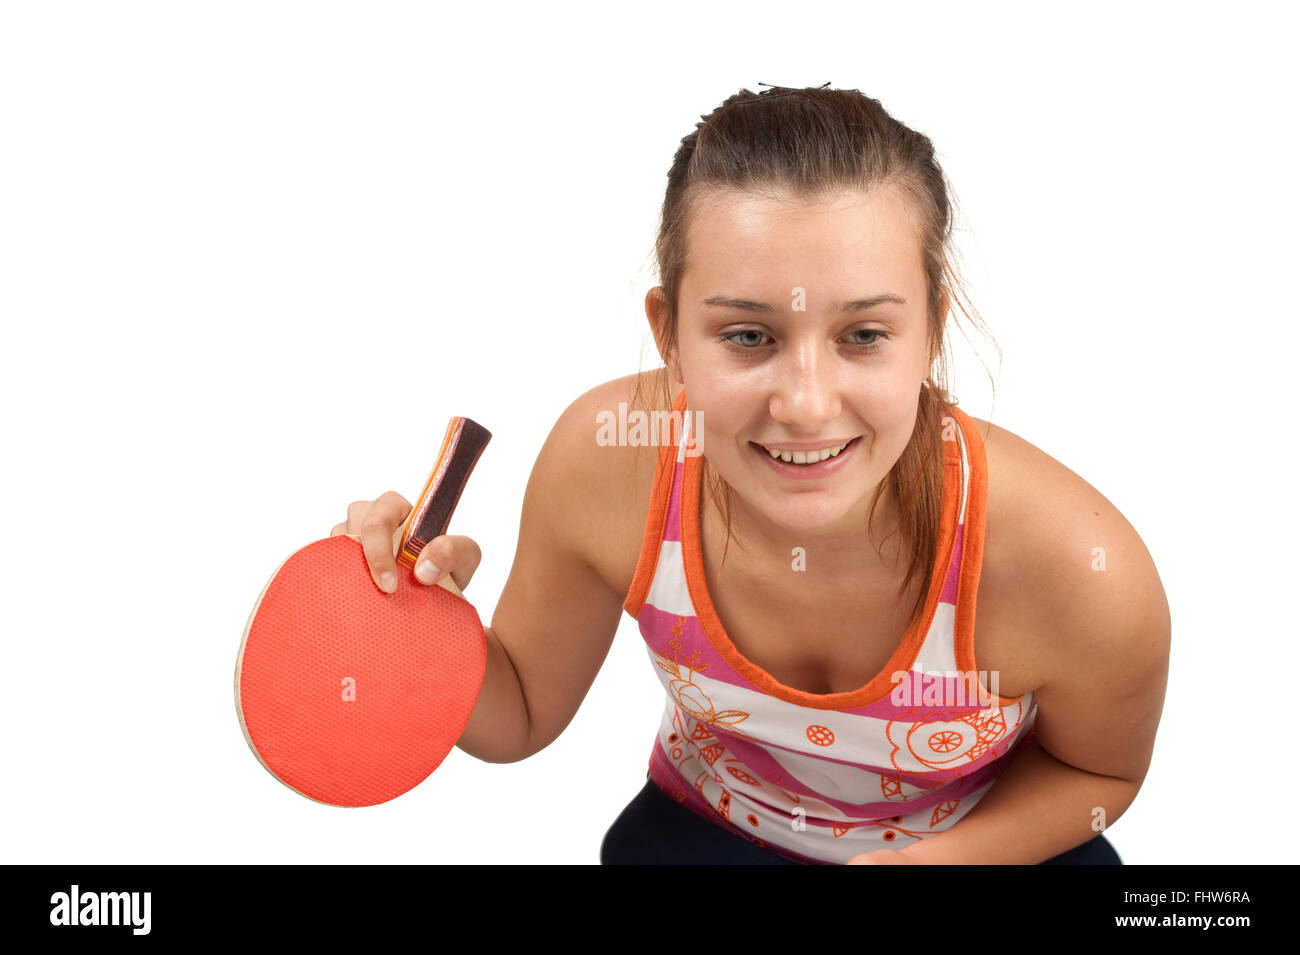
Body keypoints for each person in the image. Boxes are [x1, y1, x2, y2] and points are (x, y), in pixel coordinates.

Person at [332, 84, 1170, 865]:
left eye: (865, 335)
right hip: (709, 826)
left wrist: (933, 862)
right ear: (670, 334)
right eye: (747, 336)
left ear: (932, 331)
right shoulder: (610, 462)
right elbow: (515, 712)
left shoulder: (1078, 567)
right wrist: (412, 624)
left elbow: (1100, 777)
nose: (805, 405)